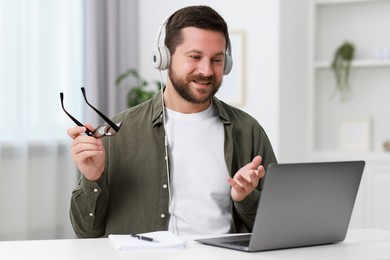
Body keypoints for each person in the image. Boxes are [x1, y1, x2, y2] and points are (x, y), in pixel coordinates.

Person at [67, 5, 277, 238]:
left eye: (217, 60)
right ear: (164, 58)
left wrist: (246, 198)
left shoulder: (248, 131)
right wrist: (92, 177)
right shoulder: (118, 133)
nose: (207, 71)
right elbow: (85, 231)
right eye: (195, 57)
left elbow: (280, 223)